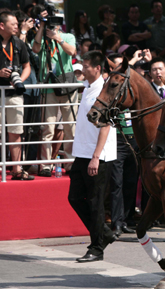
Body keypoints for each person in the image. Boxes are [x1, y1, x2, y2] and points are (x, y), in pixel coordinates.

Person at [68, 50, 117, 262]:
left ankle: (97, 248)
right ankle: (104, 234)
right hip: (81, 152)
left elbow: (105, 126)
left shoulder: (103, 91)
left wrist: (96, 157)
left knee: (96, 203)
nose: (83, 69)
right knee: (75, 198)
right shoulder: (87, 87)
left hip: (97, 155)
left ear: (97, 68)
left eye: (86, 66)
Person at [32, 15, 78, 177]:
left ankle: (71, 162)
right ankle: (45, 165)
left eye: (56, 23)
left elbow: (72, 52)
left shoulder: (67, 36)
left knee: (70, 128)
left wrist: (58, 39)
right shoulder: (42, 38)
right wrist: (42, 28)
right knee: (47, 128)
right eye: (50, 23)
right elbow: (35, 49)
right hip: (48, 87)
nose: (54, 26)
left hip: (66, 87)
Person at [105, 54, 138, 237]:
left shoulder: (131, 87)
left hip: (133, 139)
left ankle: (128, 219)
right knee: (116, 182)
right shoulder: (111, 87)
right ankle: (117, 222)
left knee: (131, 181)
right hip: (117, 140)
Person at [0, 11, 32, 180]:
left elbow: (27, 66)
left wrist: (19, 79)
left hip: (14, 93)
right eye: (13, 24)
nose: (17, 27)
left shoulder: (19, 43)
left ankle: (16, 169)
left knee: (16, 131)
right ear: (2, 25)